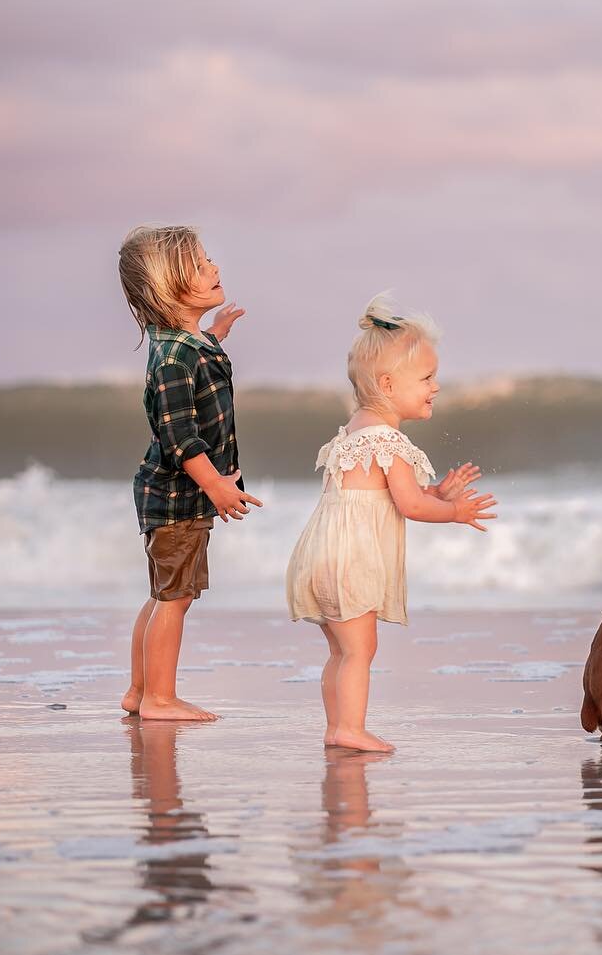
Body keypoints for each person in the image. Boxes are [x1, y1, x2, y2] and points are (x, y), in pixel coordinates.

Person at [286, 292, 496, 751]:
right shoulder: (389, 440)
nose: (435, 386)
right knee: (361, 651)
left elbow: (390, 495)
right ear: (386, 383)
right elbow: (410, 506)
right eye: (426, 377)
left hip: (321, 558)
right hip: (353, 563)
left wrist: (436, 491)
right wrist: (453, 511)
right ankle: (350, 728)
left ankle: (336, 727)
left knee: (341, 651)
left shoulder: (354, 431)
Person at [119, 225, 263, 722]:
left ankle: (140, 692)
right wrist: (218, 486)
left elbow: (196, 369)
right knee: (175, 600)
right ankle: (159, 697)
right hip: (179, 498)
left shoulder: (185, 344)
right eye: (203, 265)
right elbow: (181, 439)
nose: (215, 267)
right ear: (172, 287)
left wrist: (215, 335)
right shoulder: (175, 359)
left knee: (162, 596)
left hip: (173, 498)